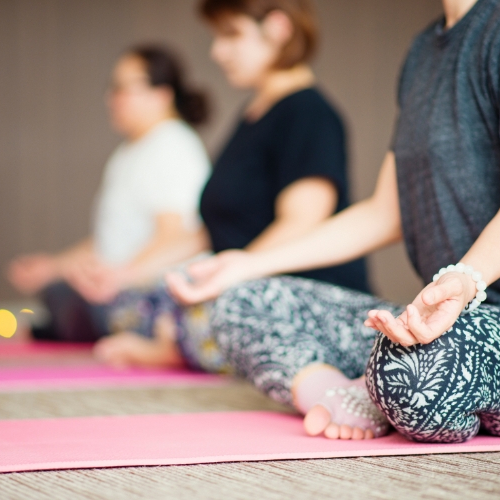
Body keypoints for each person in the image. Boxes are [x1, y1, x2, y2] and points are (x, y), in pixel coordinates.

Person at [167, 0, 500, 443]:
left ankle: (382, 386)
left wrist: (462, 282)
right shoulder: (424, 50)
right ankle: (348, 397)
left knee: (417, 371)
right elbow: (384, 213)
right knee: (242, 302)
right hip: (448, 329)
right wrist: (246, 263)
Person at [92, 0, 371, 372]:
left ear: (278, 27)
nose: (217, 52)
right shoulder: (252, 115)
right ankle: (178, 339)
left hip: (298, 293)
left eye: (231, 35)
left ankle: (178, 345)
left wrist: (233, 275)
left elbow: (302, 222)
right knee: (129, 299)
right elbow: (214, 230)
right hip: (243, 280)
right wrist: (127, 273)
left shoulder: (309, 113)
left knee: (214, 313)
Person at [8, 45, 212, 343]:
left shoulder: (173, 144)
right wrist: (53, 267)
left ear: (161, 95)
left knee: (69, 300)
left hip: (153, 291)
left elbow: (177, 236)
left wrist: (121, 276)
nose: (110, 99)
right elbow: (108, 243)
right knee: (58, 291)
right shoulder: (126, 153)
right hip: (120, 284)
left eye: (121, 89)